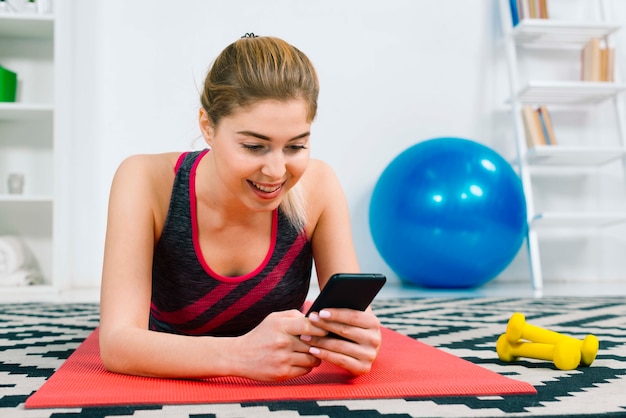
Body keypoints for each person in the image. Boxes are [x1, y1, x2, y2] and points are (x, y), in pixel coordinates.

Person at [99, 34, 382, 382]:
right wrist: (239, 356)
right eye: (253, 146)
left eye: (295, 146)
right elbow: (116, 343)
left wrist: (358, 341)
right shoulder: (145, 180)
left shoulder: (318, 186)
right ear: (207, 126)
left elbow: (353, 318)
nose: (277, 171)